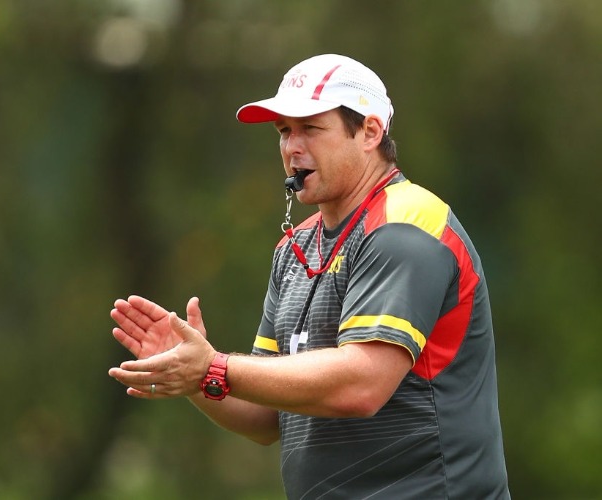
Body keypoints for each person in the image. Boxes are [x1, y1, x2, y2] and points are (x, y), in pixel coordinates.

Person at [108, 54, 510, 499]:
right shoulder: (294, 247)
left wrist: (217, 366)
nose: (291, 148)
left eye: (311, 129)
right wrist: (196, 375)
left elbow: (363, 384)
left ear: (370, 133)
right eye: (284, 131)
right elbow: (266, 419)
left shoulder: (406, 226)